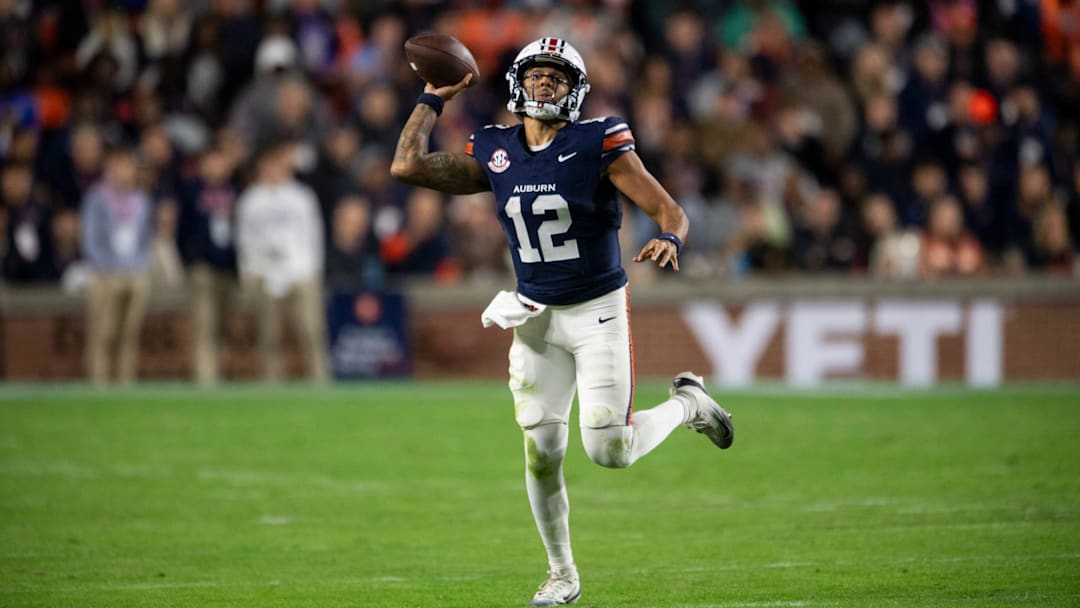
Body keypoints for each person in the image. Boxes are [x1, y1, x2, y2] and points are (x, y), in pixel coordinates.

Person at [391, 38, 734, 607]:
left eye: (556, 76)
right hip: (534, 314)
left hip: (597, 310)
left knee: (610, 450)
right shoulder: (497, 149)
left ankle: (688, 404)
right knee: (541, 450)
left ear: (573, 88)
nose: (545, 84)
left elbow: (670, 210)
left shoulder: (598, 142)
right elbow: (406, 164)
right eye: (536, 75)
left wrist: (671, 236)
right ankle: (561, 574)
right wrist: (432, 96)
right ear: (518, 85)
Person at [236, 139, 328, 383]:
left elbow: (314, 233)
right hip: (266, 274)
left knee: (310, 330)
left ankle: (319, 378)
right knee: (269, 334)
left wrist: (314, 269)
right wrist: (249, 270)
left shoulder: (301, 197)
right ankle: (271, 380)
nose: (273, 171)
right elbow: (244, 239)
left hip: (301, 271)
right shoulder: (251, 200)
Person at [80, 146, 155, 385]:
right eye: (120, 165)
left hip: (135, 272)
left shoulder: (141, 199)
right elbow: (90, 238)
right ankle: (99, 382)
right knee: (102, 333)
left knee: (129, 333)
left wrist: (142, 265)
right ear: (110, 168)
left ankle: (125, 383)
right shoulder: (97, 197)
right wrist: (104, 266)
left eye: (129, 166)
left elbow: (146, 236)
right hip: (105, 274)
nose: (125, 172)